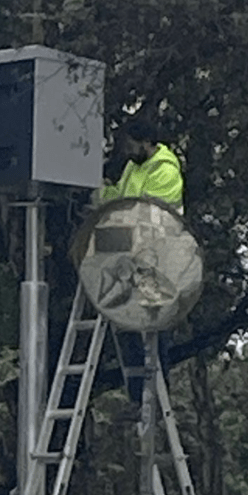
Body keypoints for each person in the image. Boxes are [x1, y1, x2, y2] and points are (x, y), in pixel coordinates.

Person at [95, 118, 185, 406]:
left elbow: (144, 211)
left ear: (145, 142)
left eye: (130, 143)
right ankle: (138, 398)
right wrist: (99, 192)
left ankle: (158, 398)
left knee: (154, 324)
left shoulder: (166, 171)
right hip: (134, 257)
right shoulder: (135, 167)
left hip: (158, 258)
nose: (126, 150)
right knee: (129, 324)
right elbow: (123, 198)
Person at [97, 118, 184, 214]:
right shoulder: (136, 164)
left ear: (147, 143)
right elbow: (120, 197)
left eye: (130, 147)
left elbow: (149, 210)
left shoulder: (166, 171)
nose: (127, 152)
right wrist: (99, 192)